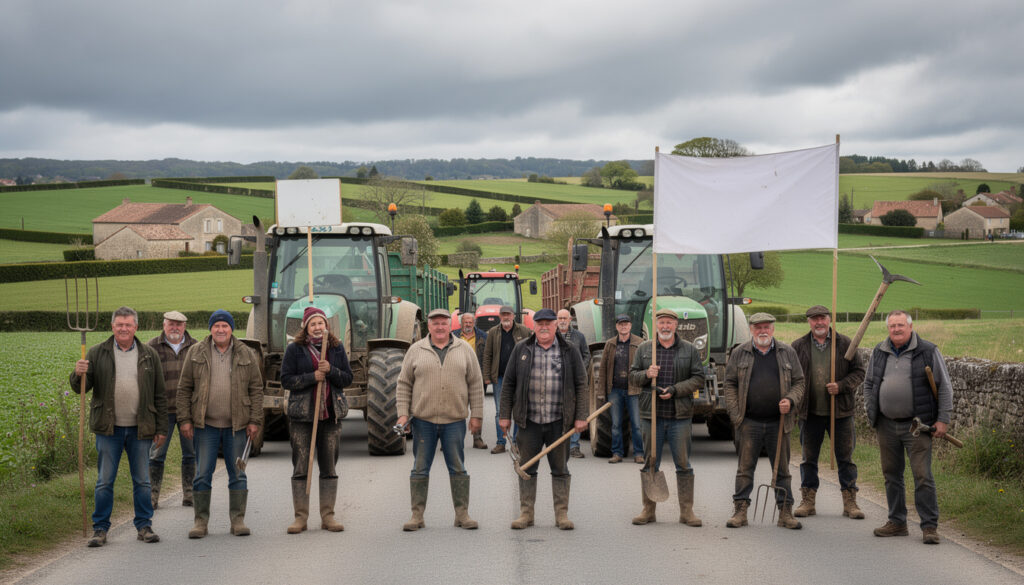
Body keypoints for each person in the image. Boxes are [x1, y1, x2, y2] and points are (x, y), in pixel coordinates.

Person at [70, 306, 167, 547]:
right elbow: (80, 387)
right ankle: (100, 529)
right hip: (108, 429)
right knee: (104, 480)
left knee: (143, 481)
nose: (123, 328)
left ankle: (144, 526)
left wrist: (161, 428)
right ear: (112, 327)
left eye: (128, 324)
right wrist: (77, 373)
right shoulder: (97, 352)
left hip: (140, 429)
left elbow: (160, 395)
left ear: (136, 327)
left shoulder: (149, 354)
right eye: (119, 324)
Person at [864, 310, 953, 545]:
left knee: (922, 476)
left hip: (918, 426)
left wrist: (942, 419)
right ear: (888, 329)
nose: (896, 329)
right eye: (892, 326)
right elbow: (869, 383)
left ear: (910, 327)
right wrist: (870, 409)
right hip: (886, 424)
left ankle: (929, 527)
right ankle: (897, 522)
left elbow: (944, 387)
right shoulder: (879, 351)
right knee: (891, 475)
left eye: (901, 325)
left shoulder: (928, 351)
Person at [499, 308, 588, 530]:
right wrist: (504, 415)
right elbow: (508, 383)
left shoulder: (570, 350)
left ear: (556, 325)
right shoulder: (522, 349)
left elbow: (581, 384)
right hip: (529, 422)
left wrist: (581, 417)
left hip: (560, 421)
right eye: (540, 323)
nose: (544, 327)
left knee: (560, 469)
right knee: (527, 468)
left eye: (549, 323)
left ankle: (561, 515)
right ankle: (526, 514)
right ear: (534, 326)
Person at [177, 310, 264, 538]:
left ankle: (237, 521)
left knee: (237, 473)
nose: (221, 330)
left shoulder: (245, 353)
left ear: (231, 329)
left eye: (225, 326)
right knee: (202, 473)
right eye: (217, 326)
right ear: (211, 329)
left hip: (237, 426)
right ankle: (200, 523)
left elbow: (256, 389)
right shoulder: (196, 352)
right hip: (206, 426)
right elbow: (184, 388)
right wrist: (185, 419)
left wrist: (255, 420)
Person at [397, 308, 485, 531]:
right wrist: (403, 414)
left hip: (454, 421)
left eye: (443, 323)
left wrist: (477, 415)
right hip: (423, 421)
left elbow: (476, 383)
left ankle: (462, 514)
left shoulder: (464, 349)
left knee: (457, 468)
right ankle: (417, 516)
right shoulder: (416, 350)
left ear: (449, 325)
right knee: (419, 468)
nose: (439, 327)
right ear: (429, 325)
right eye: (435, 323)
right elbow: (404, 384)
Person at [723, 312, 805, 530]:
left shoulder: (787, 352)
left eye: (766, 327)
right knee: (745, 468)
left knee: (782, 470)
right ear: (751, 329)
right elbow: (729, 384)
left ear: (773, 329)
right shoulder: (740, 353)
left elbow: (799, 382)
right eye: (758, 327)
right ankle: (740, 510)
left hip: (780, 423)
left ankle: (785, 512)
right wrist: (735, 413)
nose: (762, 331)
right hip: (748, 422)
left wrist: (790, 399)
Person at [628, 308, 705, 527]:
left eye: (669, 323)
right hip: (651, 415)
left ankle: (687, 512)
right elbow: (633, 377)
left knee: (683, 464)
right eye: (661, 322)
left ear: (676, 325)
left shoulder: (689, 350)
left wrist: (676, 389)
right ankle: (648, 510)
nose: (665, 327)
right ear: (656, 325)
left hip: (679, 415)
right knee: (650, 463)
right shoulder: (644, 349)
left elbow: (698, 378)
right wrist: (646, 375)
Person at [280, 307, 354, 534]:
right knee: (301, 467)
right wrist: (313, 377)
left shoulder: (336, 348)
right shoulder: (295, 349)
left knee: (329, 467)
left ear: (327, 325)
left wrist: (331, 370)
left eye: (320, 323)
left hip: (329, 417)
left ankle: (328, 516)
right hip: (302, 417)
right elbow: (286, 380)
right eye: (313, 324)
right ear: (306, 327)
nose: (317, 327)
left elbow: (347, 379)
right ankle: (300, 518)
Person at [790, 305, 866, 520]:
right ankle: (808, 501)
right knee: (808, 459)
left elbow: (859, 372)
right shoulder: (798, 346)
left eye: (822, 318)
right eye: (814, 319)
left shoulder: (845, 344)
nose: (819, 323)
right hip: (809, 413)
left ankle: (850, 502)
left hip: (840, 412)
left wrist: (841, 386)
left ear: (829, 319)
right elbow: (792, 377)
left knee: (845, 458)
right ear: (809, 322)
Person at [146, 310, 198, 509]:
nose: (175, 328)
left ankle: (190, 493)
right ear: (164, 325)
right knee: (157, 454)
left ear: (184, 326)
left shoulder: (195, 346)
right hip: (162, 410)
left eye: (179, 324)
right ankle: (153, 495)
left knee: (191, 453)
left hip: (188, 411)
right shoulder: (151, 347)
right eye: (171, 324)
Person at [482, 305, 531, 454]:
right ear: (500, 317)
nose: (506, 317)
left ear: (513, 316)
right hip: (500, 378)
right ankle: (501, 442)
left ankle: (516, 443)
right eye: (503, 315)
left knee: (518, 411)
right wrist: (486, 376)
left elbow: (531, 352)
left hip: (519, 378)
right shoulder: (493, 332)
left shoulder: (524, 331)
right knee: (500, 412)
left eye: (508, 314)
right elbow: (487, 354)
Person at [599, 314, 645, 465]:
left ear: (630, 326)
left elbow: (645, 366)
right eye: (621, 324)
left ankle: (639, 453)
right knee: (616, 424)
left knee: (637, 425)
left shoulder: (640, 343)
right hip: (615, 390)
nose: (623, 326)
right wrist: (602, 391)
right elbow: (603, 369)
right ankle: (617, 453)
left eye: (626, 324)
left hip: (634, 390)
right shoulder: (610, 344)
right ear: (617, 327)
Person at [556, 309, 591, 459]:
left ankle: (574, 446)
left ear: (570, 319)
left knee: (575, 411)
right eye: (560, 318)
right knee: (558, 412)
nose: (562, 320)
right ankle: (558, 444)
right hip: (556, 379)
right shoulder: (552, 335)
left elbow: (586, 354)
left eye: (565, 318)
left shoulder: (579, 337)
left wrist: (580, 370)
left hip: (573, 380)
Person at [454, 311, 488, 450]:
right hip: (457, 376)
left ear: (474, 323)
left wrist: (486, 376)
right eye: (465, 322)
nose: (468, 324)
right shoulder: (453, 336)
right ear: (461, 323)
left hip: (477, 375)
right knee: (455, 408)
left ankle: (477, 438)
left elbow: (487, 357)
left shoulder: (483, 336)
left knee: (477, 407)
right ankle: (453, 440)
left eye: (470, 322)